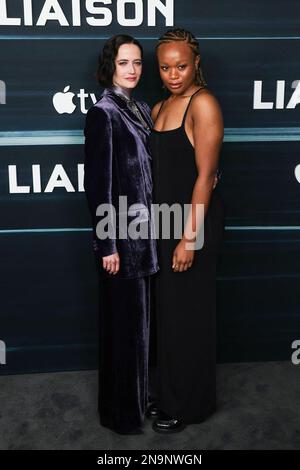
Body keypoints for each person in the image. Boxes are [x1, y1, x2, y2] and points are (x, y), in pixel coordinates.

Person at [148, 28, 225, 433]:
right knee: (170, 318)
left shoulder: (204, 103)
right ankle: (169, 394)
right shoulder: (160, 106)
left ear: (196, 63)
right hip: (164, 225)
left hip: (192, 225)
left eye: (181, 66)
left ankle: (191, 405)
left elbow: (205, 176)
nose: (174, 74)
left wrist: (189, 239)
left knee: (189, 318)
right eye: (165, 67)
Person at [83, 34, 159, 435]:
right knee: (124, 333)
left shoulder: (142, 109)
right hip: (122, 243)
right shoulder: (104, 113)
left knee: (142, 330)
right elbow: (99, 185)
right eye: (124, 62)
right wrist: (107, 245)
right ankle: (121, 414)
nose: (132, 70)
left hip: (148, 239)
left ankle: (140, 400)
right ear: (110, 66)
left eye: (138, 63)